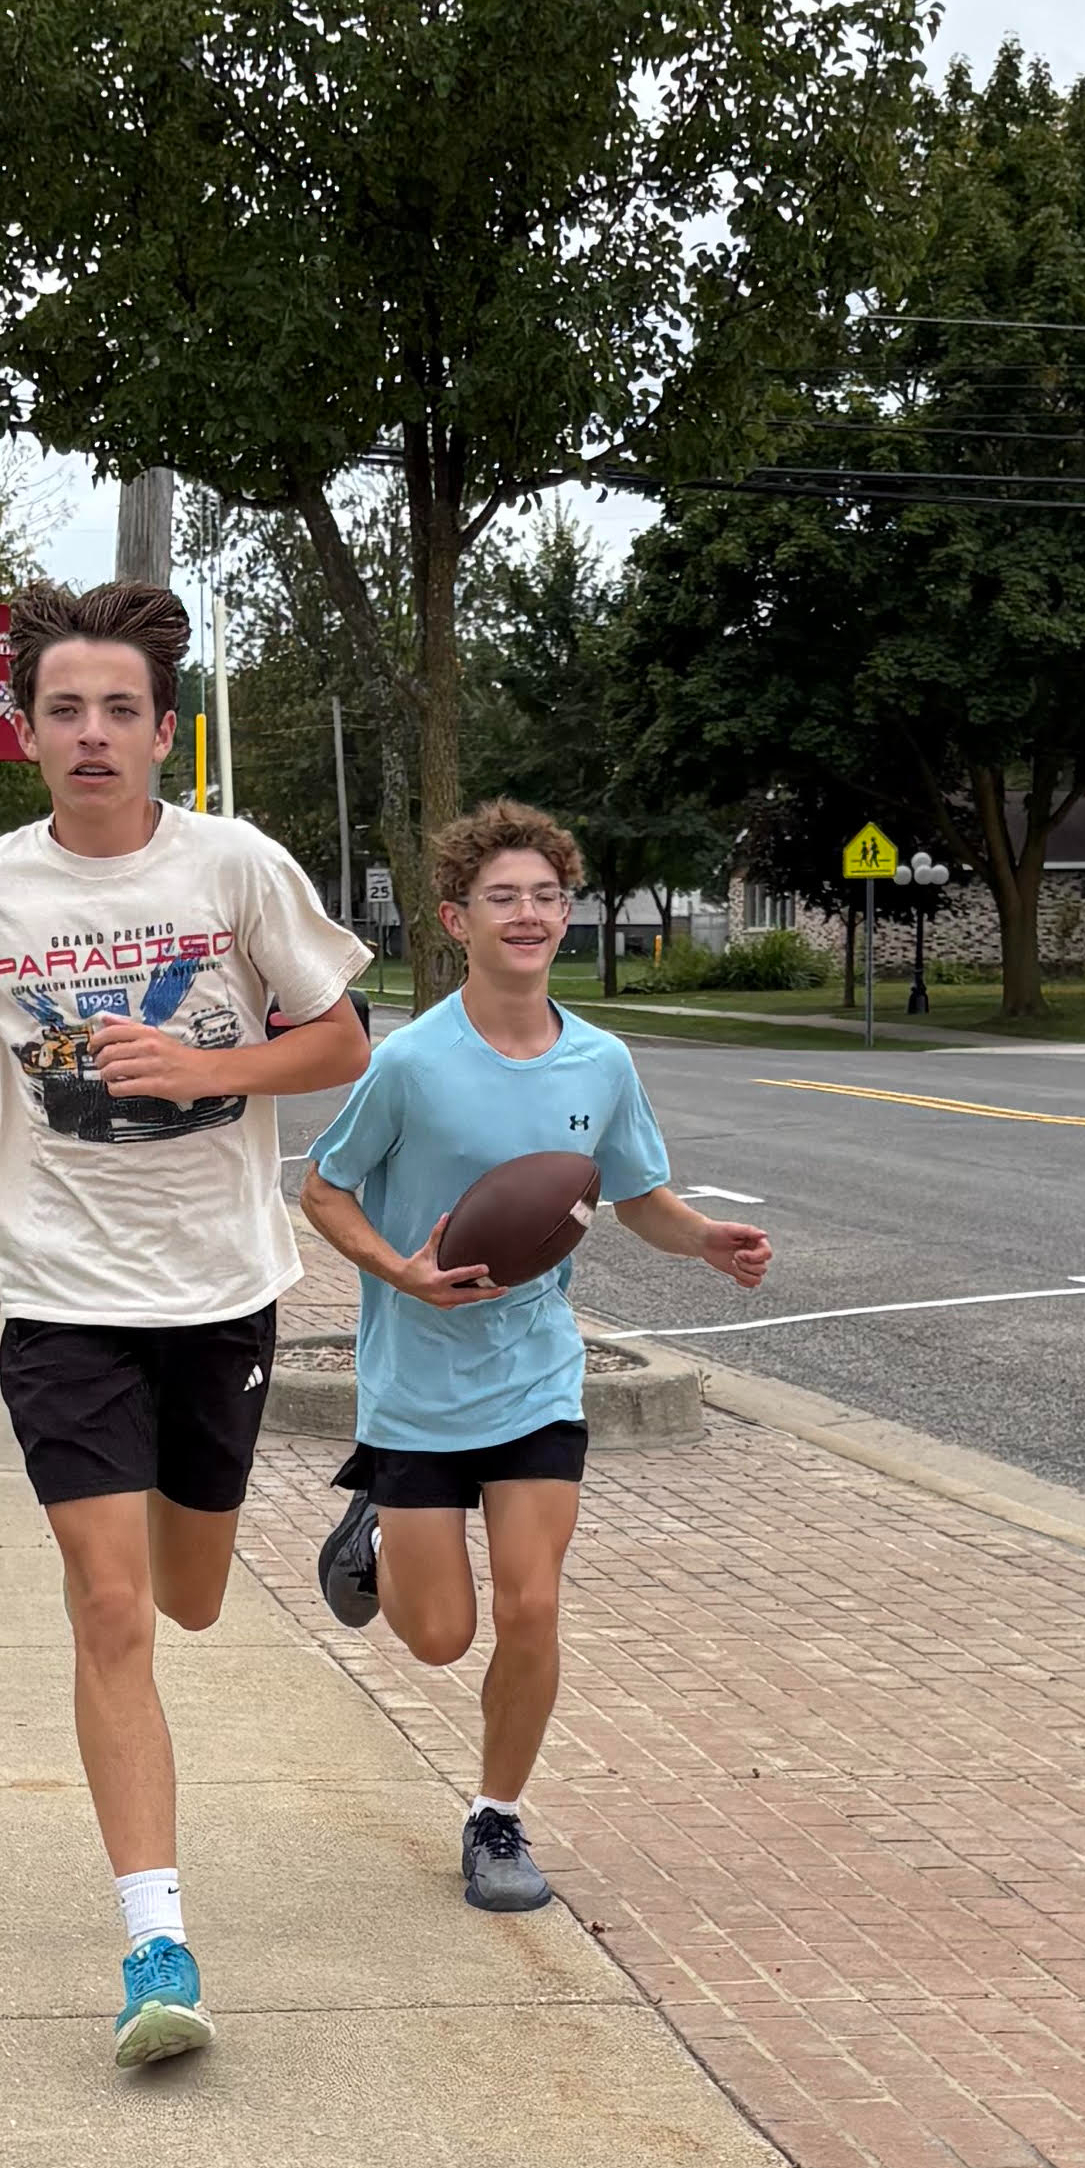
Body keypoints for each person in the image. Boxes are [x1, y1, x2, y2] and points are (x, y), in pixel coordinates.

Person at [0, 579, 370, 2066]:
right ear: (24, 732)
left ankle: (286, 1540)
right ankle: (155, 1943)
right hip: (59, 1294)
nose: (91, 733)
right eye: (62, 710)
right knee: (110, 1611)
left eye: (119, 711)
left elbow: (343, 1040)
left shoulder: (232, 867)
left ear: (167, 733)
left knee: (193, 1594)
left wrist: (206, 1070)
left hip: (218, 1286)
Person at [300, 799, 770, 1910]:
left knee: (530, 1606)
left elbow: (635, 1196)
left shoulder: (600, 1064)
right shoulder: (409, 1062)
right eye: (501, 898)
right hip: (416, 1384)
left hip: (533, 1379)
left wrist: (703, 1239)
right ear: (456, 920)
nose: (527, 914)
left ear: (568, 913)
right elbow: (320, 1188)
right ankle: (370, 1524)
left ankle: (495, 1816)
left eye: (545, 896)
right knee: (436, 1636)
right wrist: (399, 1270)